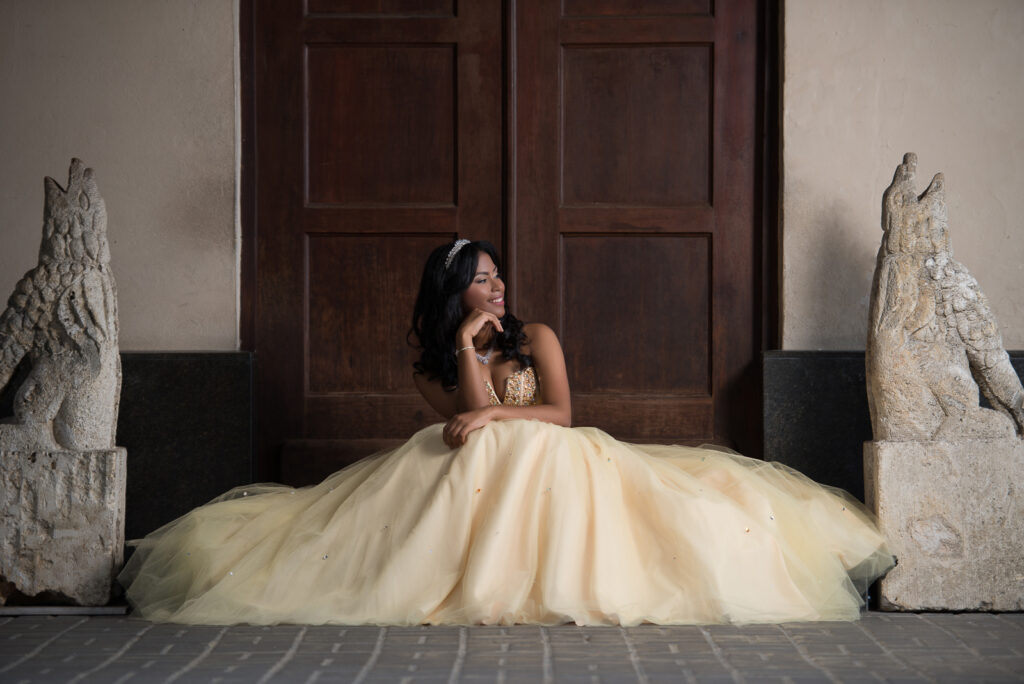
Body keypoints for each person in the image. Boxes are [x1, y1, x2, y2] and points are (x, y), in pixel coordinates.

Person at [119, 239, 893, 626]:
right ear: (456, 293)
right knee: (466, 448)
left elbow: (560, 415)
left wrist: (493, 408)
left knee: (505, 441)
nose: (498, 285)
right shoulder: (437, 359)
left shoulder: (541, 336)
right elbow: (456, 420)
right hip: (475, 469)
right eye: (482, 279)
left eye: (497, 275)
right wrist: (465, 350)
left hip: (556, 460)